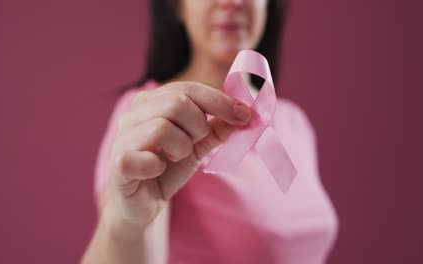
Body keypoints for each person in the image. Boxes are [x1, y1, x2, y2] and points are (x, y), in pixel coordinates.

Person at [82, 0, 338, 263]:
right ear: (177, 7)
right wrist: (128, 224)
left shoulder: (294, 121)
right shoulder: (153, 119)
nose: (232, 2)